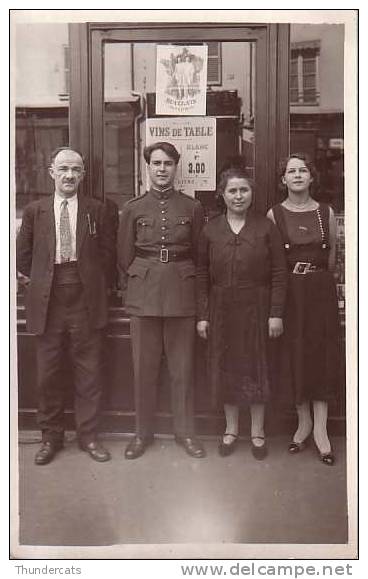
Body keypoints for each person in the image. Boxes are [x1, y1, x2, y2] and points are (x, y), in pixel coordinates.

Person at [16, 147, 114, 465]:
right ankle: (50, 437)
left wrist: (95, 285)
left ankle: (88, 437)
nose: (69, 175)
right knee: (48, 373)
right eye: (64, 170)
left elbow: (108, 255)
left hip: (85, 300)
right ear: (51, 173)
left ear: (83, 174)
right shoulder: (35, 211)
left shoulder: (97, 210)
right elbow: (22, 255)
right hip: (48, 299)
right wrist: (38, 282)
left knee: (89, 372)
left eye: (76, 170)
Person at [118, 141, 206, 460]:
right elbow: (124, 255)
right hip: (144, 294)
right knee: (144, 369)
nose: (162, 169)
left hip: (182, 291)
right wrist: (137, 283)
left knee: (182, 370)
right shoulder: (133, 207)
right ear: (148, 167)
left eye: (168, 163)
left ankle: (185, 433)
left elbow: (200, 254)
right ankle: (142, 434)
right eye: (156, 163)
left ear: (176, 167)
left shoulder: (192, 208)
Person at [196, 167, 287, 459]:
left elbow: (278, 273)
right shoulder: (211, 229)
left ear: (252, 193)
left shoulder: (266, 227)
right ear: (222, 194)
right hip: (221, 308)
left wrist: (275, 313)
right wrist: (203, 315)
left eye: (244, 190)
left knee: (256, 367)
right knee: (226, 367)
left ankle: (257, 431)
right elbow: (200, 274)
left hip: (257, 308)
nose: (238, 196)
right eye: (232, 191)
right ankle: (231, 429)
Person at [267, 153, 340, 466]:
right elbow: (272, 265)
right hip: (292, 294)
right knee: (295, 355)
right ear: (283, 179)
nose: (297, 175)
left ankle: (321, 431)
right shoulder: (274, 215)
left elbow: (334, 257)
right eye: (291, 171)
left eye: (303, 171)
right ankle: (303, 424)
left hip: (320, 293)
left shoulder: (327, 212)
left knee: (320, 356)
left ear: (312, 177)